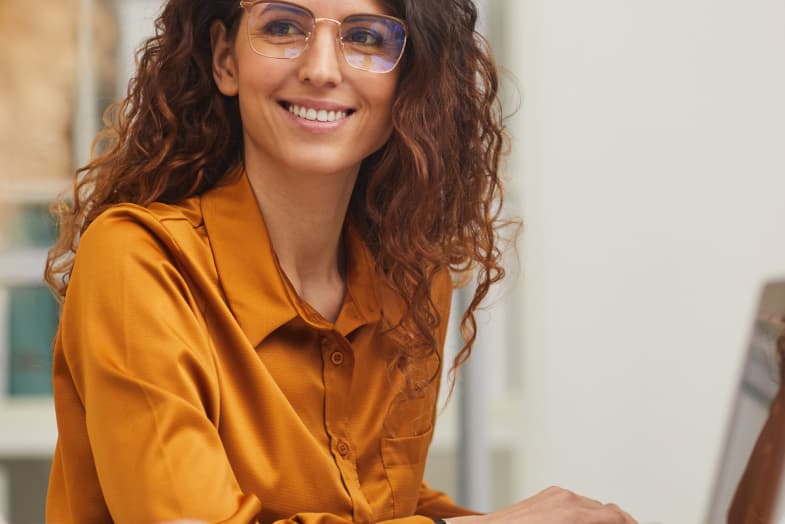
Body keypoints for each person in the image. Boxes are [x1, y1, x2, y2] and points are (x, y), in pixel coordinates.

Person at [44, 0, 637, 522]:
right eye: (282, 26)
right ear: (226, 60)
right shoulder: (138, 261)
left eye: (365, 37)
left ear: (410, 79)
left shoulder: (410, 278)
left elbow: (377, 504)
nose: (322, 69)